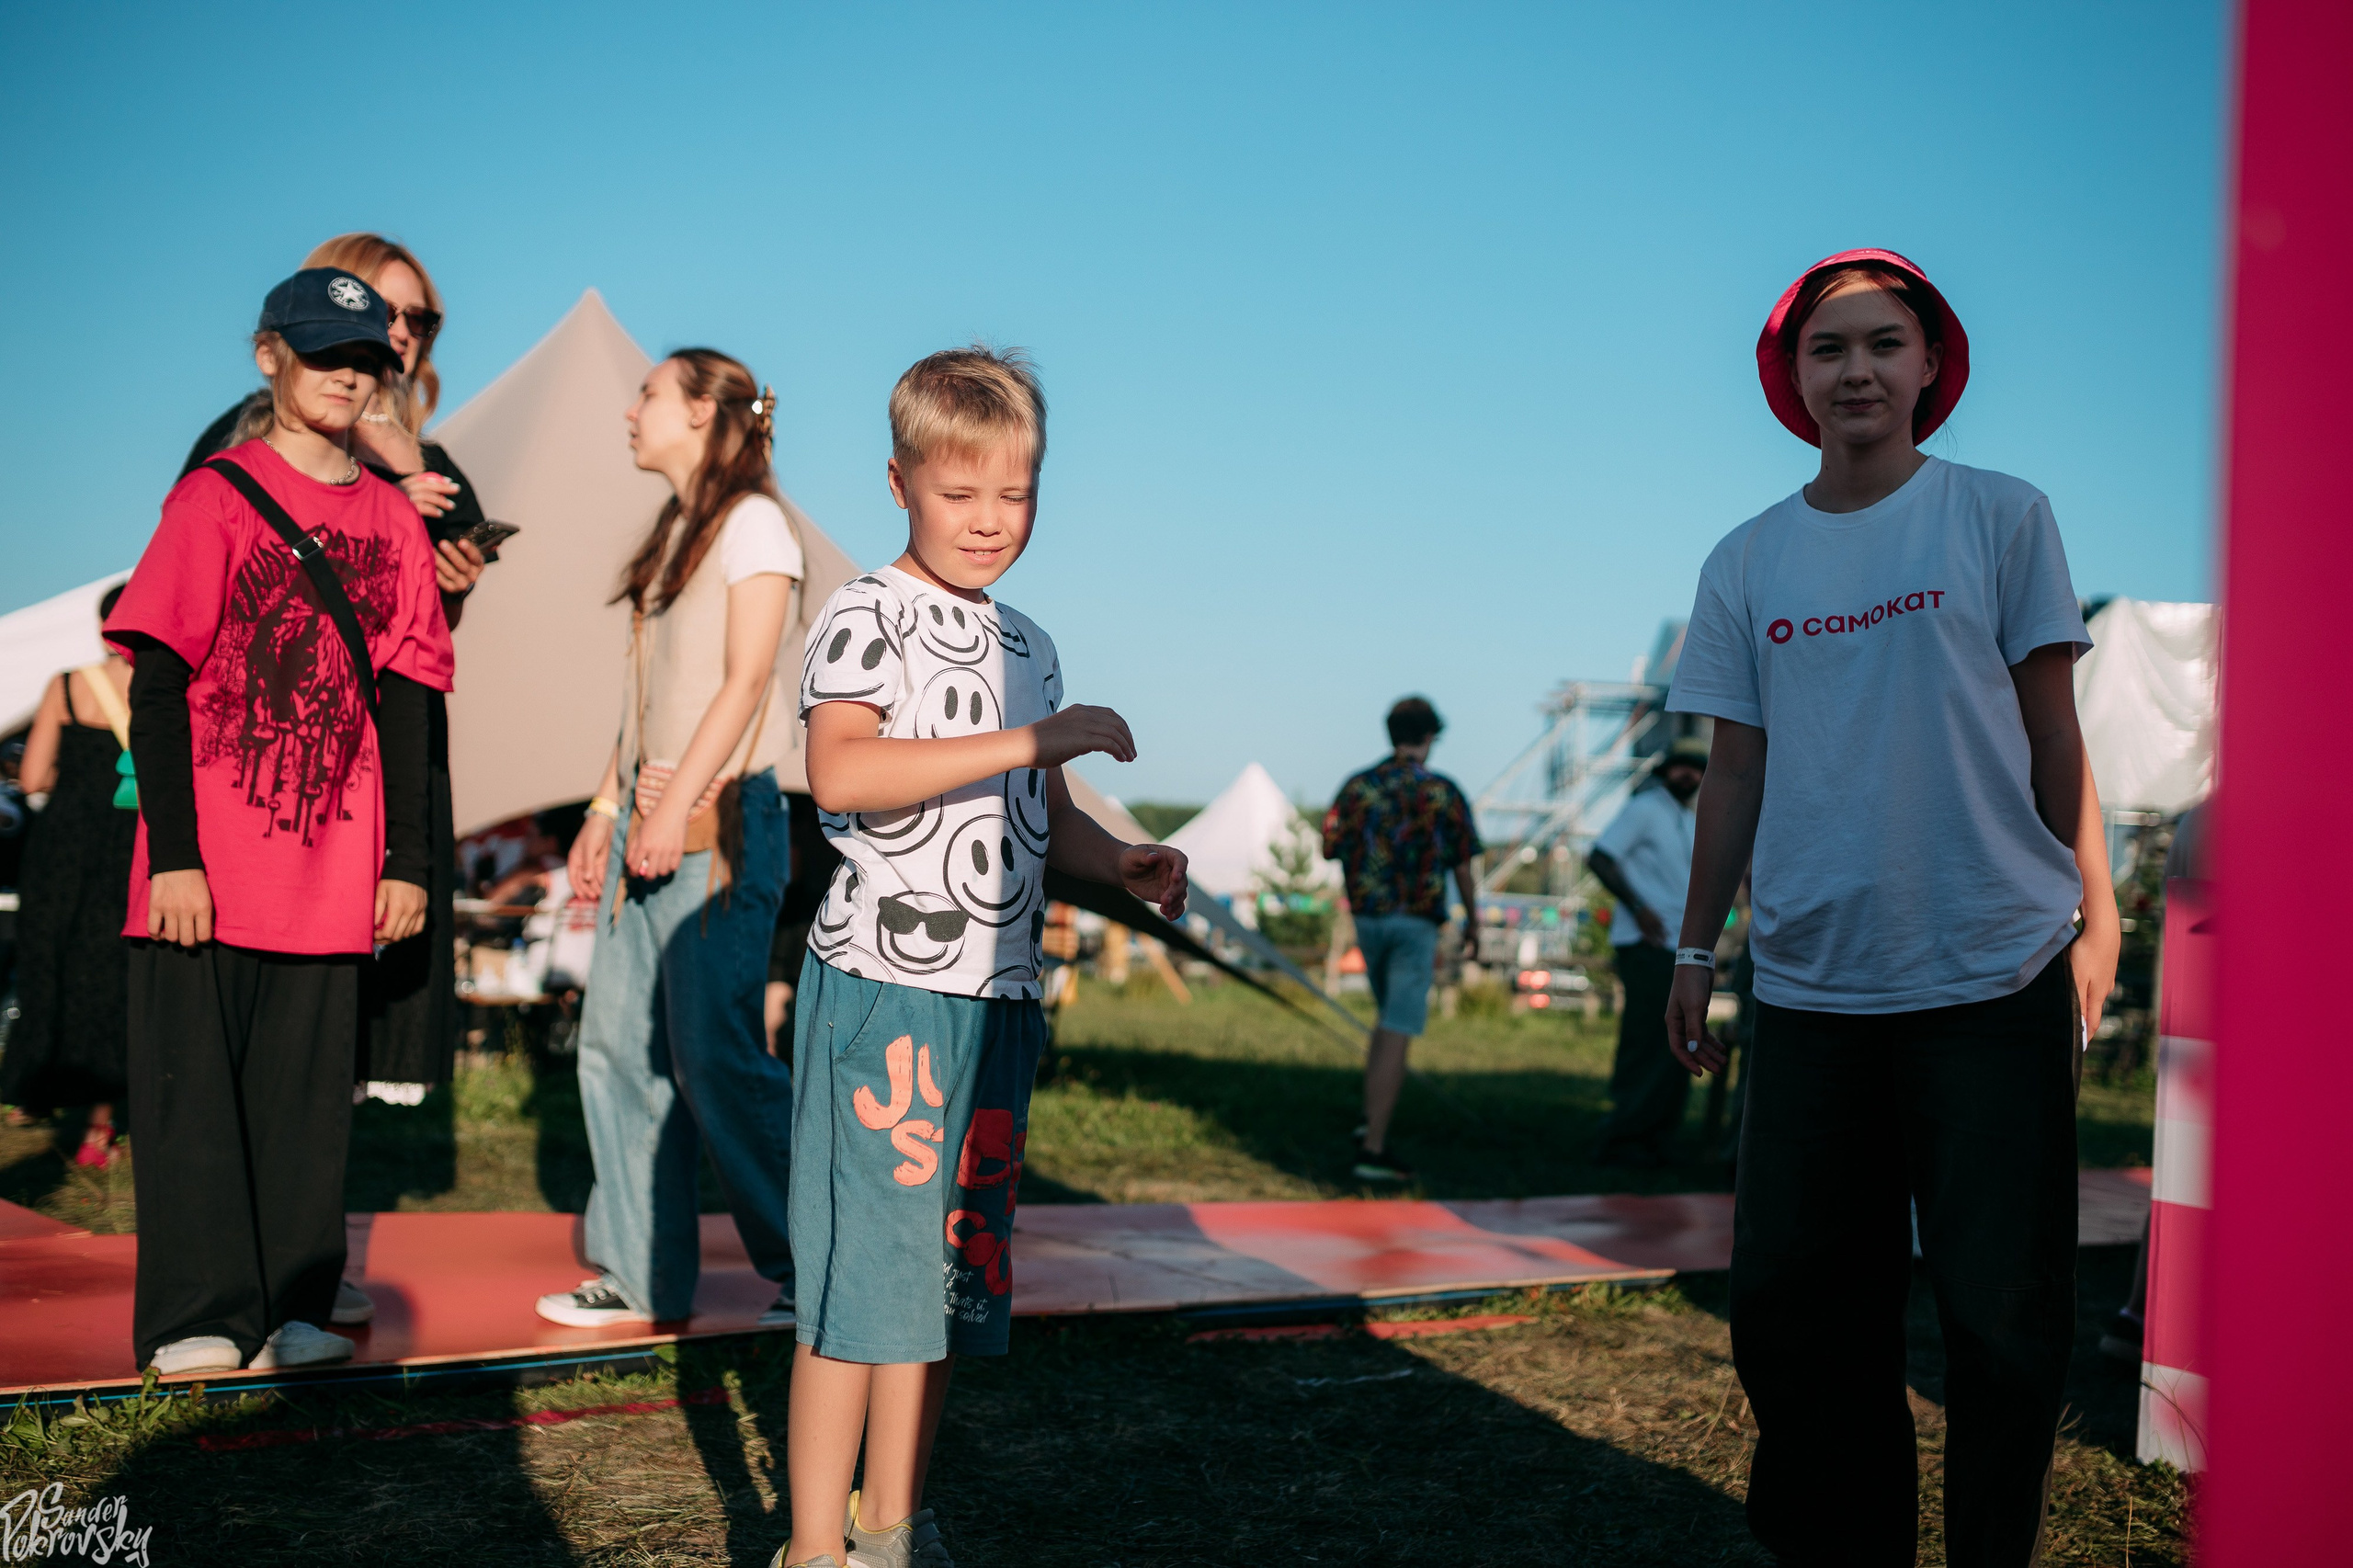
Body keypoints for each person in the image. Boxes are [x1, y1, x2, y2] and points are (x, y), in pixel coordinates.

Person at [1662, 249, 2119, 1563]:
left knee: (2001, 1319)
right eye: (1828, 348)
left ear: (1929, 366)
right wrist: (1698, 945)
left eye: (1882, 344)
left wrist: (2099, 909)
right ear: (1791, 377)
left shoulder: (2001, 516)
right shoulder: (1748, 557)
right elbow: (1733, 772)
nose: (1855, 369)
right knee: (1796, 1314)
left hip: (1992, 967)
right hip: (1814, 986)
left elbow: (2055, 730)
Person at [779, 347, 1188, 1568]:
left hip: (998, 999)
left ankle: (891, 1524)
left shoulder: (1030, 642)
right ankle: (813, 1545)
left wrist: (1120, 862)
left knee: (950, 1279)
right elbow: (840, 772)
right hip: (885, 990)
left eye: (1015, 492)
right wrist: (1028, 736)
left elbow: (1042, 818)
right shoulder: (865, 612)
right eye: (959, 492)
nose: (989, 518)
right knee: (862, 1284)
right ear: (898, 481)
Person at [109, 267, 451, 1376]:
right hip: (206, 861)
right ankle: (197, 1313)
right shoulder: (213, 496)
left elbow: (411, 699)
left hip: (331, 861)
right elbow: (157, 686)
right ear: (270, 357)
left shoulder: (394, 517)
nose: (348, 377)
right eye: (324, 355)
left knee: (305, 1101)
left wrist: (407, 860)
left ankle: (296, 1300)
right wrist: (174, 856)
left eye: (366, 360)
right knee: (194, 1095)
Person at [180, 234, 491, 1109]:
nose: (402, 332)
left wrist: (450, 585)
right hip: (271, 745)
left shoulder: (434, 462)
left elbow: (418, 641)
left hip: (385, 737)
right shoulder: (248, 434)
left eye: (422, 318)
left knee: (344, 1020)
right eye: (385, 310)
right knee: (249, 1019)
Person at [534, 349, 803, 1333]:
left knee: (714, 1055)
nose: (629, 411)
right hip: (649, 825)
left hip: (723, 825)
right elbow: (641, 699)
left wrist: (668, 804)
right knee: (614, 1048)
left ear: (700, 411)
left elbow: (747, 681)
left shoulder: (755, 523)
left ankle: (820, 1269)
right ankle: (640, 1272)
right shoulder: (675, 530)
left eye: (647, 394)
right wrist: (606, 810)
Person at [0, 587, 138, 1165]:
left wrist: (73, 776)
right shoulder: (163, 689)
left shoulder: (65, 685)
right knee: (110, 972)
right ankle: (100, 1126)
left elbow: (31, 779)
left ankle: (32, 1092)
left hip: (61, 844)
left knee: (46, 961)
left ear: (103, 628)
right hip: (127, 843)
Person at [1319, 696, 1482, 1184]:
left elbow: (1329, 846)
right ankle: (1374, 1149)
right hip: (1416, 920)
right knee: (1398, 1026)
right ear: (1430, 736)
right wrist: (1474, 922)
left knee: (1386, 1022)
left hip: (1368, 918)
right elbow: (1462, 864)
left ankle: (1369, 1119)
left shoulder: (1358, 786)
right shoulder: (1442, 792)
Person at [1586, 735, 1707, 1168]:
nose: (1687, 774)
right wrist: (1637, 907)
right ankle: (1623, 1139)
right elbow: (1600, 858)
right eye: (1680, 765)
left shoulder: (1688, 818)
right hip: (1647, 943)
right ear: (1665, 769)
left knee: (1680, 1041)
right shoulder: (1645, 808)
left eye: (1696, 767)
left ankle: (1658, 1138)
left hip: (1679, 946)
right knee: (1648, 1040)